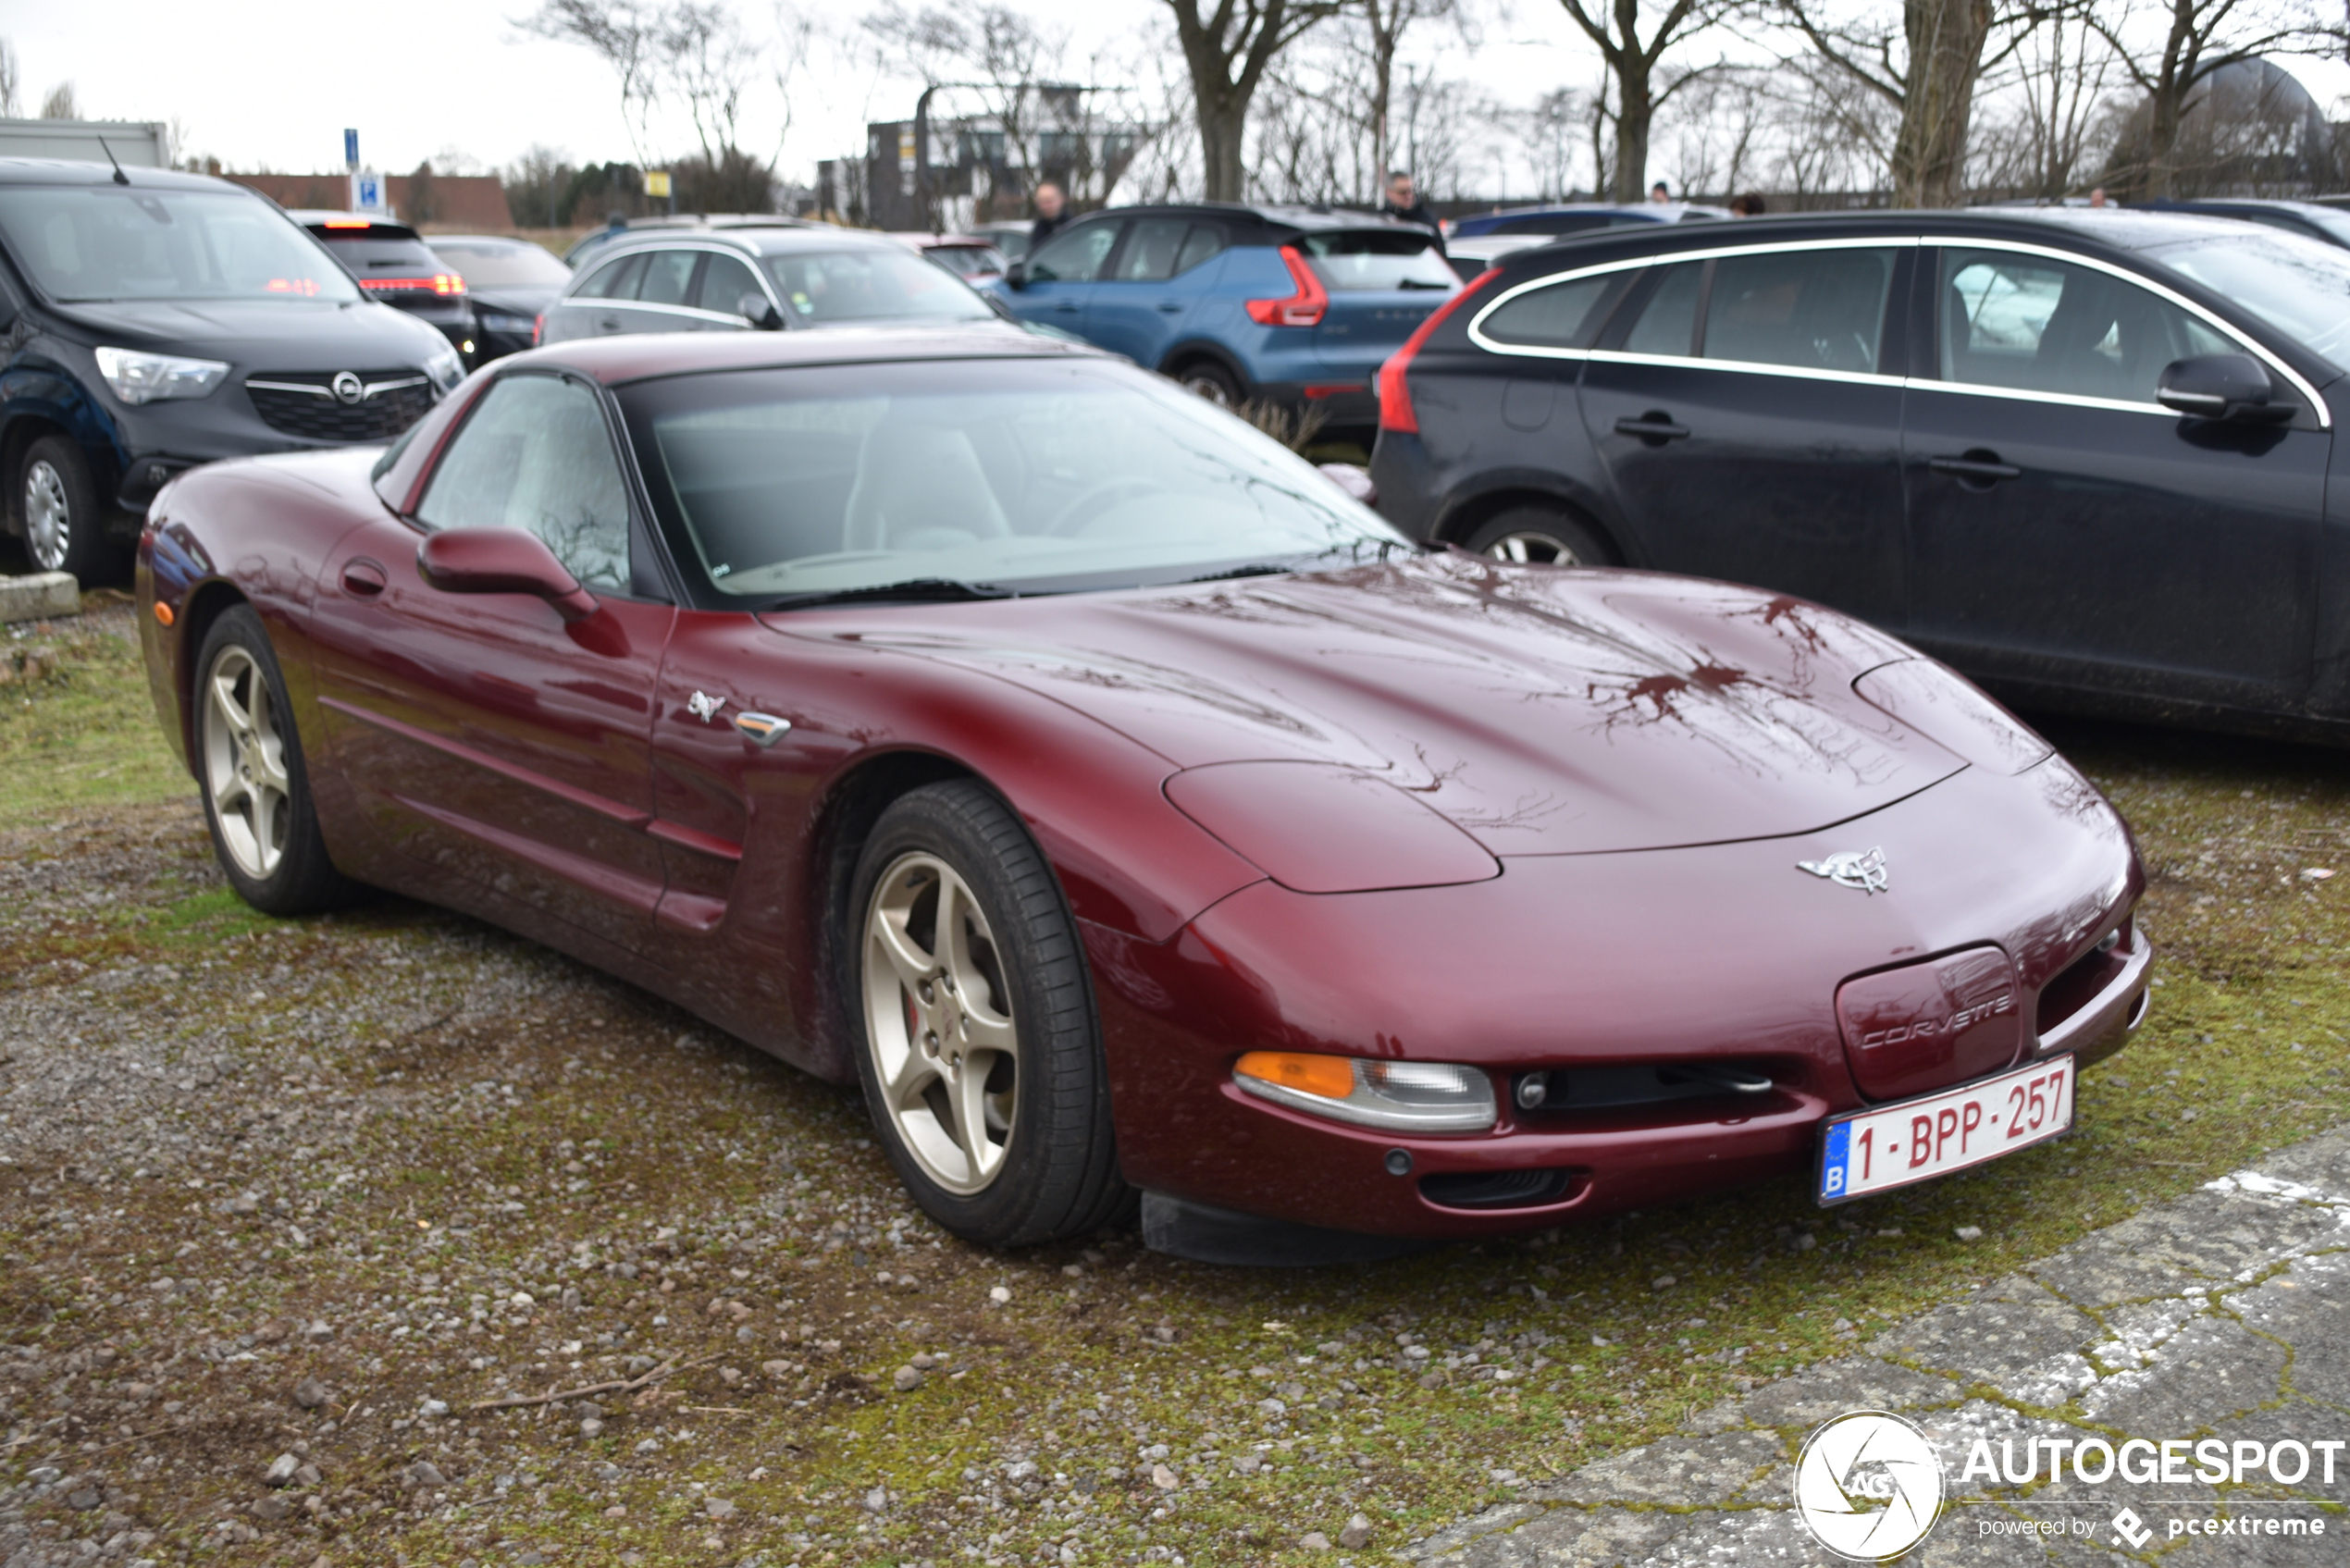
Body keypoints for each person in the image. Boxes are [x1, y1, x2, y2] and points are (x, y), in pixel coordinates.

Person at [1379, 170, 1445, 253]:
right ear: (1388, 192)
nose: (1408, 196)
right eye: (1402, 192)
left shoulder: (1427, 220)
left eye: (1410, 190)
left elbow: (1440, 255)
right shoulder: (1381, 220)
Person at [1030, 181, 1070, 250]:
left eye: (1050, 201)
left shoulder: (1072, 226)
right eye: (1042, 202)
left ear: (1061, 200)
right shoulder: (1037, 230)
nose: (1046, 206)